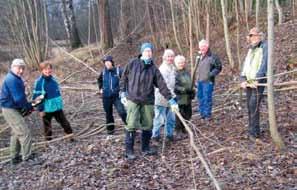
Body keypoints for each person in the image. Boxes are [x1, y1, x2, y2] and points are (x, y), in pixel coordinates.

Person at [120, 42, 179, 160]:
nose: (148, 53)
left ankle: (145, 148)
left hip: (148, 101)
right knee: (131, 124)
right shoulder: (133, 63)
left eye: (150, 51)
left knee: (148, 125)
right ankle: (129, 151)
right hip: (133, 99)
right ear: (142, 52)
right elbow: (124, 78)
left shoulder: (154, 69)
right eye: (146, 51)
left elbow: (162, 85)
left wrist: (171, 100)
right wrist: (122, 92)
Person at [0, 59, 34, 164]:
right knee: (25, 133)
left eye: (22, 68)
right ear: (12, 67)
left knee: (16, 133)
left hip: (13, 107)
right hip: (9, 109)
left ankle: (14, 157)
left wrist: (27, 106)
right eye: (18, 68)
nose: (20, 70)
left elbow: (20, 96)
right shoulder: (12, 79)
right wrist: (27, 107)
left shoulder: (16, 78)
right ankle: (27, 158)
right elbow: (19, 98)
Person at [32, 61, 73, 141]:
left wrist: (59, 102)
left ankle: (70, 136)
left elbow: (57, 93)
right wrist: (41, 109)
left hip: (57, 107)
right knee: (47, 127)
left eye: (49, 69)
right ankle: (48, 142)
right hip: (47, 108)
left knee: (65, 123)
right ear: (42, 70)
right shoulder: (39, 82)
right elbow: (36, 97)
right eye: (45, 69)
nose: (48, 71)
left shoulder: (53, 79)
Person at [240, 27, 267, 139]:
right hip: (249, 82)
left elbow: (264, 64)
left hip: (258, 82)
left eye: (254, 35)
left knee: (253, 105)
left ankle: (254, 133)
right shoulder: (251, 49)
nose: (252, 38)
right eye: (251, 36)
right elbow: (246, 66)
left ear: (260, 36)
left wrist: (258, 79)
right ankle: (253, 130)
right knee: (249, 106)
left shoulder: (264, 47)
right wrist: (242, 79)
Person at [97, 55, 127, 135]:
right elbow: (99, 80)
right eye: (105, 62)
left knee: (122, 112)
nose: (107, 64)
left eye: (108, 62)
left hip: (117, 96)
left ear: (112, 62)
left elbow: (125, 80)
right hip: (106, 97)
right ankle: (110, 131)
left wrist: (123, 91)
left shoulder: (118, 71)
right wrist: (100, 89)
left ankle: (129, 126)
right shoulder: (103, 72)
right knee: (108, 114)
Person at [152, 49, 176, 142]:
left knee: (171, 118)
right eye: (168, 56)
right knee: (159, 119)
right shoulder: (162, 69)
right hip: (161, 98)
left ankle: (169, 135)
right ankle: (155, 136)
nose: (170, 58)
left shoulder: (172, 68)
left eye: (171, 56)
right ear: (164, 58)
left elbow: (174, 83)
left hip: (171, 97)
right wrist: (173, 96)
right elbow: (165, 85)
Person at [196, 39, 222, 120]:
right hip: (199, 81)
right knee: (200, 98)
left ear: (207, 46)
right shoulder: (199, 57)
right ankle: (202, 115)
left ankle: (207, 115)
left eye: (204, 46)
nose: (202, 48)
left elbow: (218, 67)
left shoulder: (212, 56)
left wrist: (210, 75)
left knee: (207, 98)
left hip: (208, 82)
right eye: (201, 46)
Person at [174, 55, 194, 140]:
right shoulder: (175, 73)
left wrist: (193, 89)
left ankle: (184, 129)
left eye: (182, 62)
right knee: (179, 115)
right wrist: (184, 89)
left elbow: (190, 82)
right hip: (180, 98)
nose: (181, 64)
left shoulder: (186, 72)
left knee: (188, 114)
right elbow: (174, 86)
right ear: (176, 63)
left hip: (188, 97)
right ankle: (178, 131)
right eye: (179, 63)